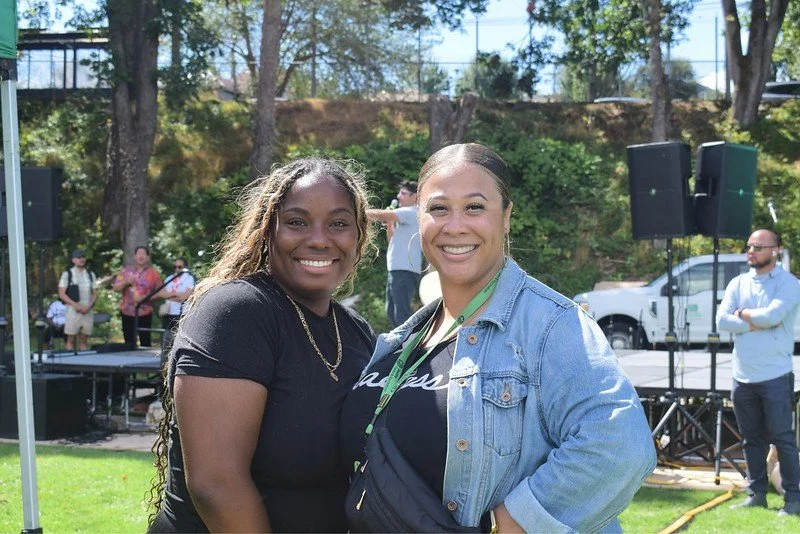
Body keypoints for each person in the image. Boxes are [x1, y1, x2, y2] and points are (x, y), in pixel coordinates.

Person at [341, 143, 656, 532]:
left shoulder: (550, 324)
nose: (455, 225)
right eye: (438, 208)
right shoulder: (404, 338)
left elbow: (620, 447)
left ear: (506, 216)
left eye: (475, 207)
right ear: (417, 218)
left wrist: (506, 524)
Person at [147, 158, 376, 532]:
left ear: (359, 234)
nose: (319, 239)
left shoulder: (355, 332)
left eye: (338, 223)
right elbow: (215, 485)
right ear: (267, 230)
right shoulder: (237, 312)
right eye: (297, 222)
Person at [717, 229, 800, 517]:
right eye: (748, 246)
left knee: (783, 439)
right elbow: (721, 321)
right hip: (743, 377)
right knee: (751, 438)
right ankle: (757, 493)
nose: (750, 250)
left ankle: (793, 500)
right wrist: (753, 320)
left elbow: (773, 317)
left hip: (775, 376)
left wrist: (741, 314)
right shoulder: (738, 283)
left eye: (758, 246)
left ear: (775, 250)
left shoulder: (789, 284)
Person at [367, 180, 423, 327]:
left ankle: (408, 347)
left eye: (403, 193)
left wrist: (358, 213)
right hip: (396, 268)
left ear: (415, 197)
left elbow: (380, 215)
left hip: (405, 269)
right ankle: (404, 344)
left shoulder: (413, 212)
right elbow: (391, 239)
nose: (398, 196)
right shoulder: (403, 215)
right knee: (391, 310)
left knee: (401, 313)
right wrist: (390, 221)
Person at [112, 246, 163, 348]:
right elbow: (115, 288)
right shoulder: (126, 271)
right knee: (128, 342)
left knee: (145, 341)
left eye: (143, 254)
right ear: (135, 256)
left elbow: (161, 292)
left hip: (145, 312)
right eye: (138, 253)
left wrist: (146, 298)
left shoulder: (153, 274)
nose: (141, 256)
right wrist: (126, 282)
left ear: (148, 257)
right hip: (127, 312)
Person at [57, 249, 98, 351]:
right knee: (71, 338)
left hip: (87, 310)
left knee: (84, 338)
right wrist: (76, 305)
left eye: (83, 257)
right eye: (79, 258)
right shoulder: (67, 274)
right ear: (73, 260)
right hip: (73, 310)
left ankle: (83, 361)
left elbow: (95, 293)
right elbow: (61, 294)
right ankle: (69, 360)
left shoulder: (90, 274)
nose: (82, 260)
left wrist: (89, 306)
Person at [161, 256, 195, 335]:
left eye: (179, 267)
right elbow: (161, 293)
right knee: (167, 338)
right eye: (175, 266)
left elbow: (186, 296)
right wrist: (176, 295)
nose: (177, 269)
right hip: (168, 313)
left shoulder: (189, 278)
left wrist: (170, 296)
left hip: (182, 314)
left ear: (185, 267)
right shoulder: (169, 278)